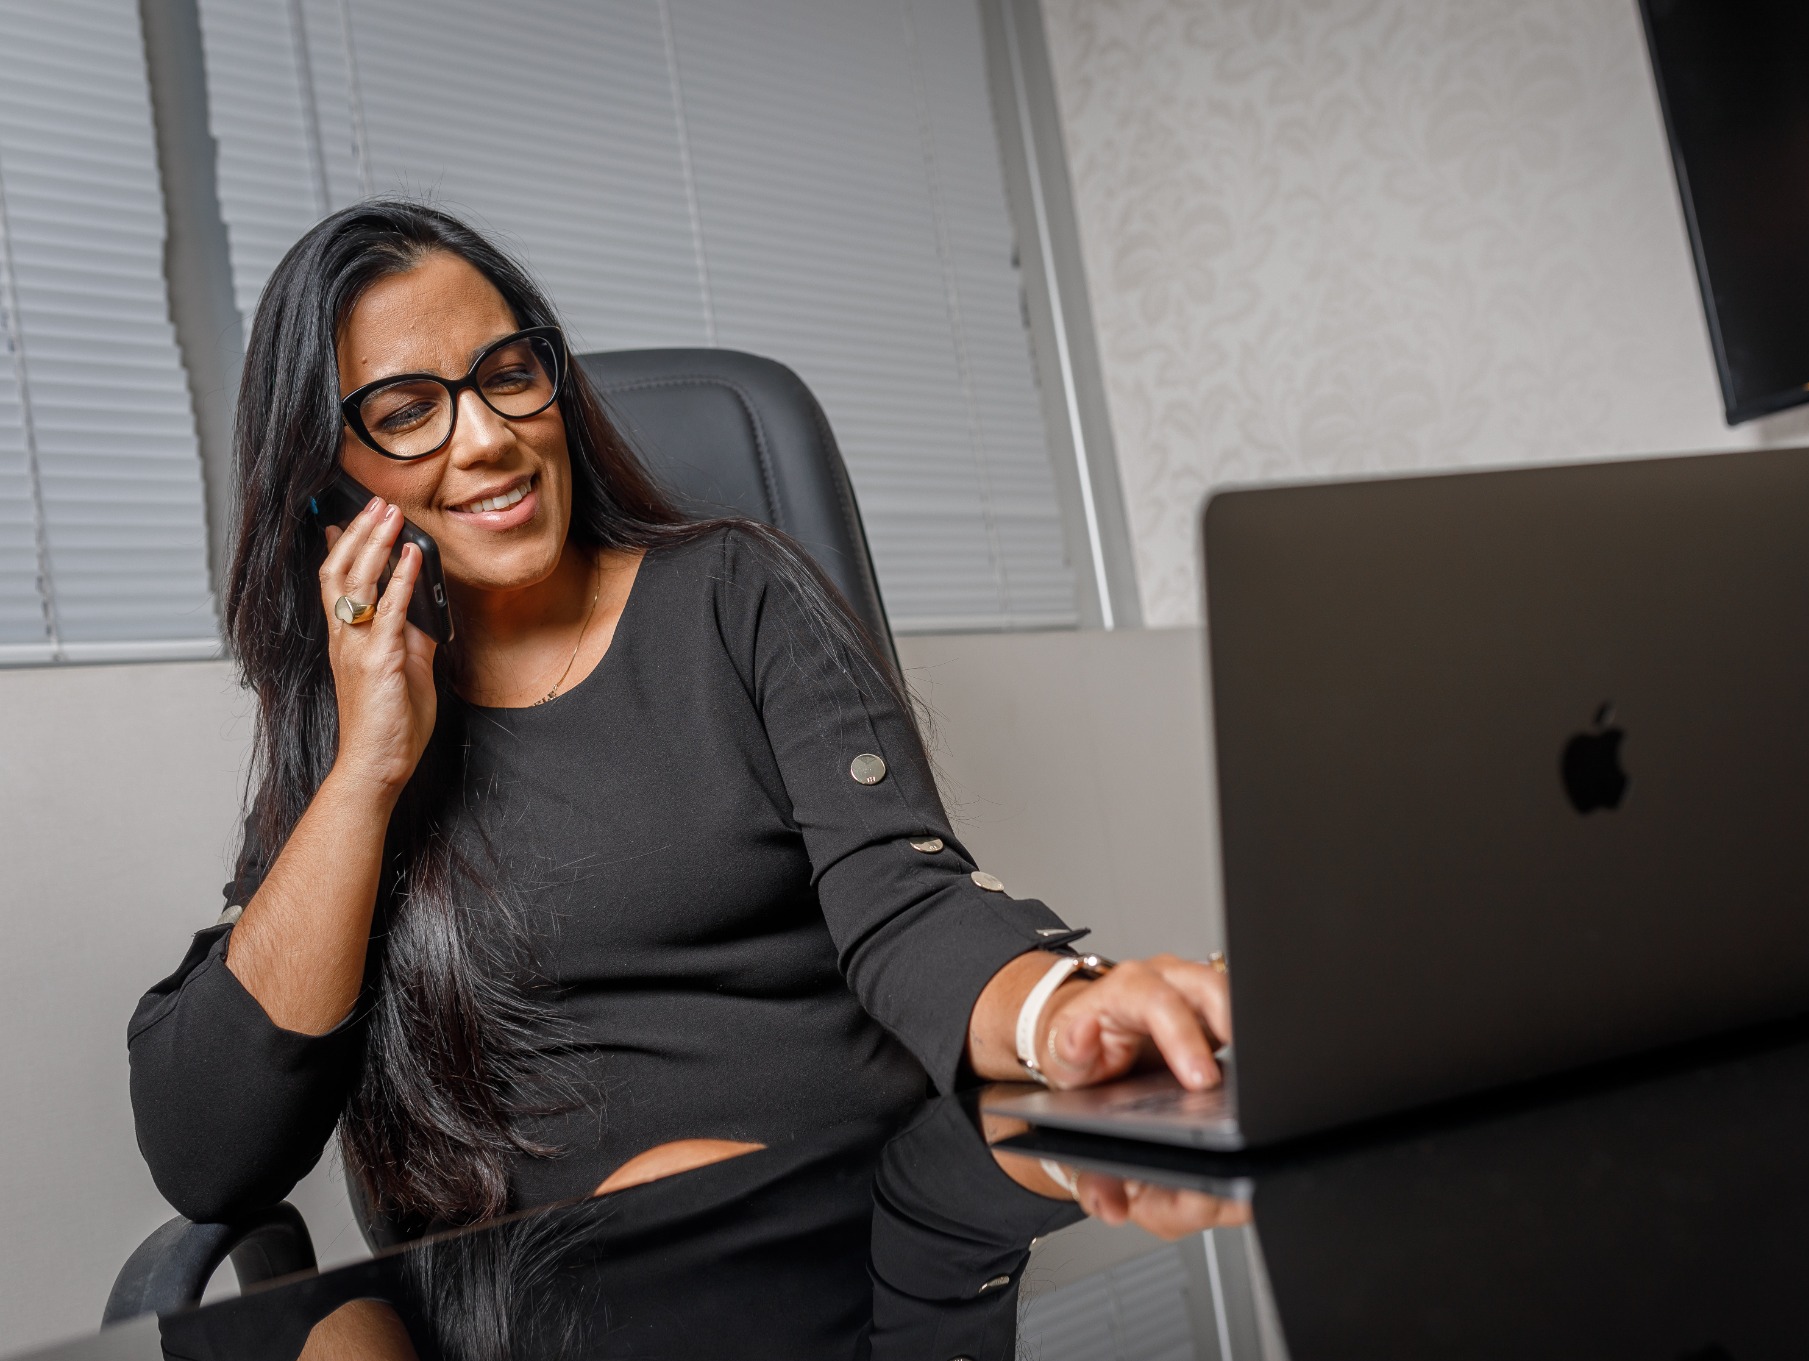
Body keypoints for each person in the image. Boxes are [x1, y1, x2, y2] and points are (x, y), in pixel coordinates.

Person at [127, 200, 1230, 1239]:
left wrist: (1064, 1017)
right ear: (326, 486)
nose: (488, 438)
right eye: (408, 412)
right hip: (533, 1307)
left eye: (509, 375)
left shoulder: (733, 593)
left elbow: (904, 900)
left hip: (853, 1251)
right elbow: (208, 1151)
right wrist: (368, 771)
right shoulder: (341, 729)